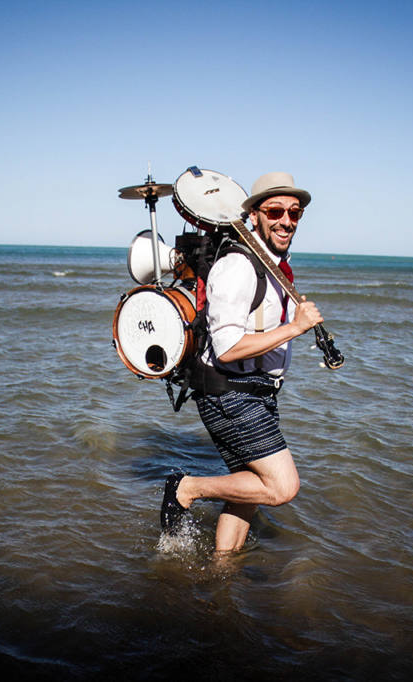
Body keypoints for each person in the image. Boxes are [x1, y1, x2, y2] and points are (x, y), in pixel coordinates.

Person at [161, 172, 324, 553]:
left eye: (295, 213)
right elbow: (228, 347)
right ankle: (187, 487)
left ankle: (222, 570)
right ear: (254, 215)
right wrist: (294, 328)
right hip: (229, 392)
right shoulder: (238, 267)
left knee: (248, 492)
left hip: (257, 392)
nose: (286, 220)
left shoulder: (272, 265)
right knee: (282, 487)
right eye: (275, 211)